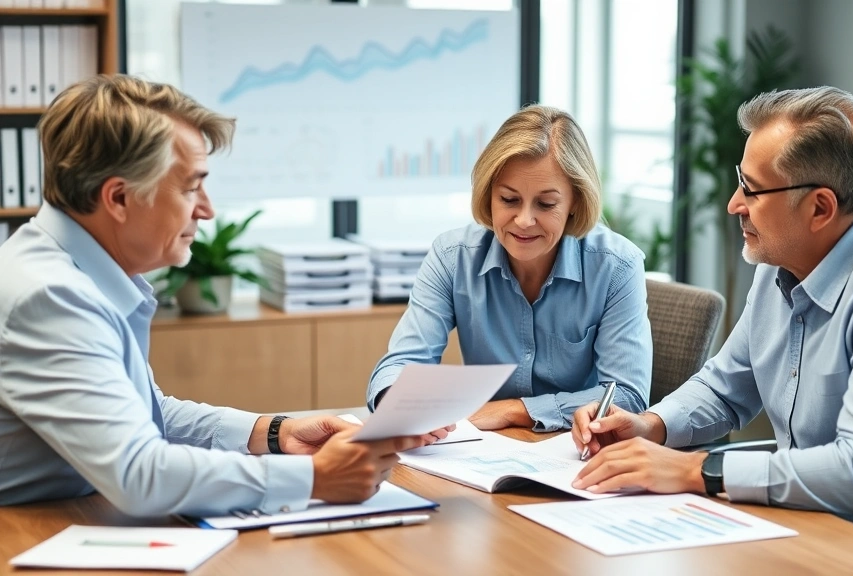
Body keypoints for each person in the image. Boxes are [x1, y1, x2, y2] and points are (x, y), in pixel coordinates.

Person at [569, 87, 853, 575]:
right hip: (808, 538)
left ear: (819, 208)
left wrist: (695, 470)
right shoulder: (784, 260)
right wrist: (652, 426)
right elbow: (725, 387)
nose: (735, 204)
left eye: (751, 190)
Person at [0, 75, 441, 517]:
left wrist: (274, 432)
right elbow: (139, 474)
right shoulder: (51, 297)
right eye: (191, 187)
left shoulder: (78, 272)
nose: (206, 209)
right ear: (118, 197)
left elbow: (145, 413)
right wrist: (316, 478)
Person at [367, 105, 653, 432]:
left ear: (575, 200)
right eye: (509, 199)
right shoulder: (452, 257)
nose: (524, 220)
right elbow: (401, 363)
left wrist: (514, 411)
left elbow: (627, 397)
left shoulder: (617, 266)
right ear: (489, 195)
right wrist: (400, 404)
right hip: (478, 451)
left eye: (546, 204)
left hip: (574, 454)